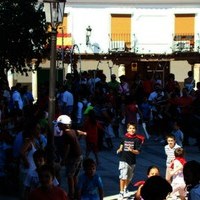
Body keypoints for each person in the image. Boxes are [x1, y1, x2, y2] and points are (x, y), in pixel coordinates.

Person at [56, 114, 87, 199]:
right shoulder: (72, 131)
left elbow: (67, 148)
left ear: (63, 125)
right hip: (79, 155)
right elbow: (79, 132)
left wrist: (64, 159)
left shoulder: (65, 134)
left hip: (73, 157)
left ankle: (71, 194)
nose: (58, 126)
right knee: (74, 176)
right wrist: (84, 133)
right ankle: (77, 193)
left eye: (59, 124)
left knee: (70, 176)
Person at [116, 122, 144, 199]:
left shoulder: (137, 139)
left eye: (133, 128)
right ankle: (121, 192)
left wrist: (132, 150)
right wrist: (120, 149)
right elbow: (122, 143)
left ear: (136, 130)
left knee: (129, 177)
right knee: (123, 176)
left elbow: (138, 151)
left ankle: (125, 188)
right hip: (123, 160)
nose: (132, 130)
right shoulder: (124, 137)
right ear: (127, 129)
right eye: (130, 128)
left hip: (132, 161)